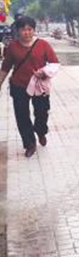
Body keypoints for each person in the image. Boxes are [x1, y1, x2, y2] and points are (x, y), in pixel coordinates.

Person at [0, 15, 60, 158]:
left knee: (42, 113)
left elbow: (54, 63)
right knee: (22, 115)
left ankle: (40, 131)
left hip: (39, 86)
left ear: (34, 30)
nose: (26, 33)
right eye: (23, 30)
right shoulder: (13, 47)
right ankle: (29, 144)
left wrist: (44, 72)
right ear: (18, 31)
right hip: (19, 85)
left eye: (29, 29)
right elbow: (5, 67)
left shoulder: (43, 45)